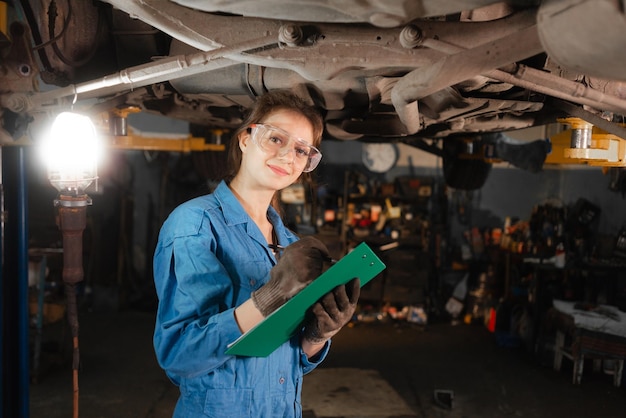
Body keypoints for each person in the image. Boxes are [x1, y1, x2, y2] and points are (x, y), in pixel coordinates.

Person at [153, 90, 360, 417]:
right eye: (276, 139)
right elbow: (179, 354)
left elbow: (286, 366)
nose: (288, 156)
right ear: (245, 139)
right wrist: (270, 299)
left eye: (301, 150)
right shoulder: (195, 224)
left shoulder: (289, 242)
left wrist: (318, 335)